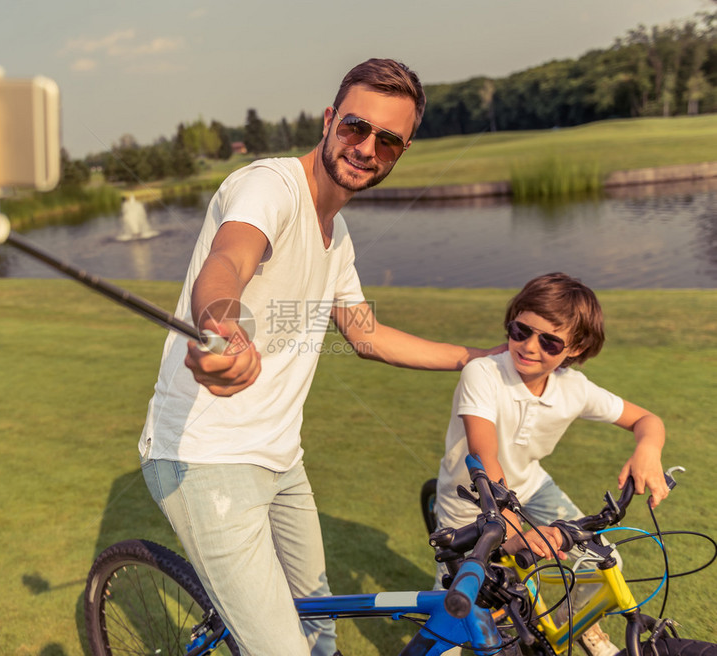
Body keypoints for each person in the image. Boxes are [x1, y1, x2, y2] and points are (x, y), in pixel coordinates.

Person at [139, 58, 503, 656]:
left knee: (320, 629)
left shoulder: (339, 238)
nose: (367, 147)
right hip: (206, 460)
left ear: (402, 149)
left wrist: (477, 356)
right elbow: (227, 261)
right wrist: (220, 324)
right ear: (330, 118)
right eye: (356, 126)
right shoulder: (269, 187)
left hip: (282, 459)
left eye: (388, 140)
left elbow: (365, 335)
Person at [434, 272, 668, 656]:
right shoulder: (484, 372)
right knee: (471, 608)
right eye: (520, 330)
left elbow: (648, 420)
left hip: (532, 486)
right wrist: (508, 533)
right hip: (475, 500)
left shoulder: (575, 388)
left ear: (574, 348)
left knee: (605, 559)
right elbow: (484, 455)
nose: (528, 346)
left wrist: (648, 451)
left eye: (549, 341)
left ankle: (576, 623)